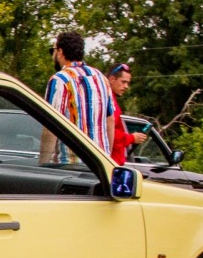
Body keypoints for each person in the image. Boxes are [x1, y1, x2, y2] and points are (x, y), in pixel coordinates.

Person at [39, 31, 113, 164]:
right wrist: (107, 160)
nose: (53, 55)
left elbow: (50, 127)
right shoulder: (101, 78)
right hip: (100, 164)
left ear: (60, 52)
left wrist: (42, 164)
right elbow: (110, 121)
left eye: (53, 51)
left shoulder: (60, 80)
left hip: (70, 164)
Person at [106, 63, 148, 164]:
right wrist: (132, 138)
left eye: (128, 83)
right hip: (110, 162)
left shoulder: (111, 99)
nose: (126, 87)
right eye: (123, 82)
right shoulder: (107, 101)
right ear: (112, 79)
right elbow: (109, 132)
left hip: (112, 162)